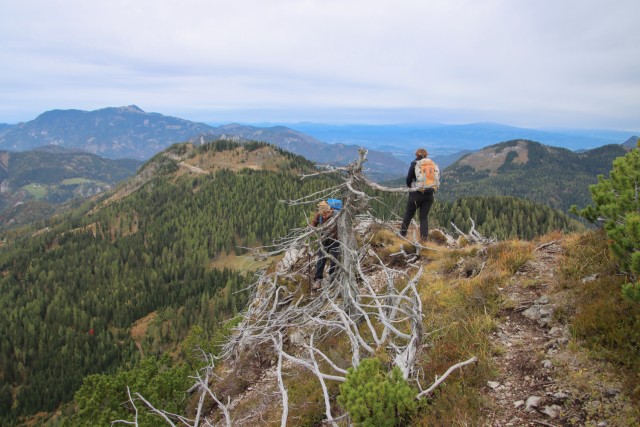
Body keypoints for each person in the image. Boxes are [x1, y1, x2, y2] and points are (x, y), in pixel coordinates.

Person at [400, 148, 440, 241]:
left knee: (409, 214)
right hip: (429, 193)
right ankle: (424, 239)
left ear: (417, 155)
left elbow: (408, 178)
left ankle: (402, 235)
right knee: (423, 217)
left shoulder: (415, 164)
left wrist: (409, 186)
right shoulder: (431, 164)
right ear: (426, 155)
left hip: (416, 193)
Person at [311, 200, 339, 290]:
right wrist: (311, 229)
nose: (323, 215)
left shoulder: (336, 215)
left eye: (325, 213)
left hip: (336, 239)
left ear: (329, 210)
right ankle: (318, 279)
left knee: (334, 259)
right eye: (322, 213)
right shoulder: (319, 214)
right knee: (321, 258)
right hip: (324, 239)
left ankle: (332, 277)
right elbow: (313, 224)